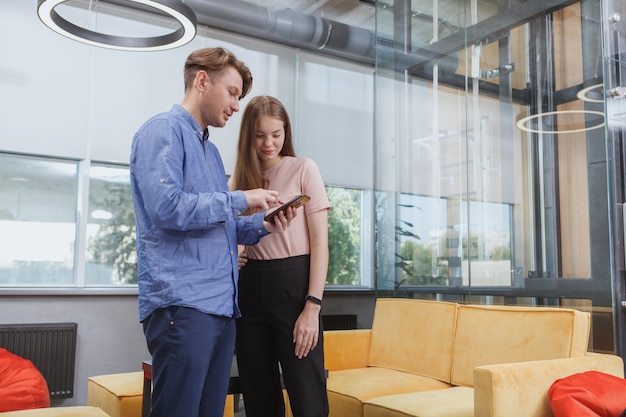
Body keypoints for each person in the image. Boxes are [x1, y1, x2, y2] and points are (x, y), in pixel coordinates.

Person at [130, 48, 295, 417]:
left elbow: (218, 224)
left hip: (221, 307)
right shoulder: (162, 132)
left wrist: (262, 223)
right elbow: (168, 208)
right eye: (233, 92)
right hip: (183, 305)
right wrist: (239, 199)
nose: (237, 105)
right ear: (202, 81)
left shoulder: (211, 154)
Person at [229, 95, 330, 417]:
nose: (269, 143)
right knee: (258, 393)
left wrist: (312, 306)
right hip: (249, 289)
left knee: (306, 389)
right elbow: (224, 233)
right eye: (260, 135)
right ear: (248, 136)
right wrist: (238, 253)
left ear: (286, 132)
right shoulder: (238, 181)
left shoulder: (303, 168)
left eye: (277, 134)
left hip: (294, 285)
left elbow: (320, 243)